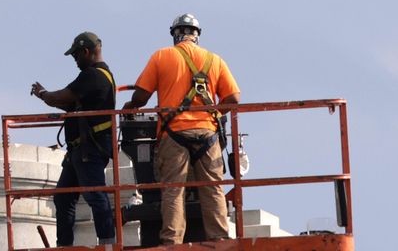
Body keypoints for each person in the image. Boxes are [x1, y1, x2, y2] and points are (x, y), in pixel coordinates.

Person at [123, 14, 242, 245]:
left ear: (175, 34)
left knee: (173, 190)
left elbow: (141, 96)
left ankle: (171, 241)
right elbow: (233, 98)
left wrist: (131, 105)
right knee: (213, 188)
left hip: (174, 133)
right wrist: (215, 114)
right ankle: (219, 238)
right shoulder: (214, 60)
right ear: (197, 35)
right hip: (208, 134)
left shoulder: (162, 56)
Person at [32, 31, 118, 248]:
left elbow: (60, 97)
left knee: (95, 193)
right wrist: (49, 98)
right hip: (81, 150)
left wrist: (43, 94)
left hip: (89, 149)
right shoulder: (99, 77)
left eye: (76, 56)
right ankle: (65, 245)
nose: (75, 60)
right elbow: (67, 103)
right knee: (63, 197)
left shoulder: (93, 76)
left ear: (86, 52)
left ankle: (108, 243)